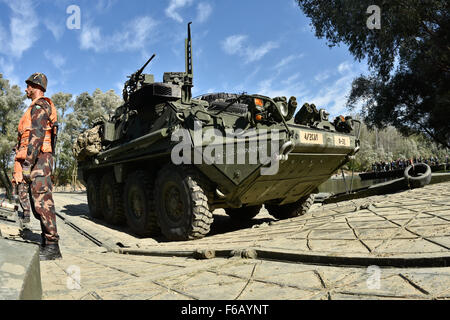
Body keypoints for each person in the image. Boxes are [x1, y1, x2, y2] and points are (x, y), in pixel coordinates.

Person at [15, 72, 61, 260]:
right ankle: (47, 240)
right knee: (38, 202)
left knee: (42, 200)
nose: (26, 89)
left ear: (35, 87)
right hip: (39, 158)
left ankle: (52, 246)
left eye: (28, 86)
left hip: (39, 158)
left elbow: (36, 137)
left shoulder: (40, 106)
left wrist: (27, 165)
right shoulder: (35, 107)